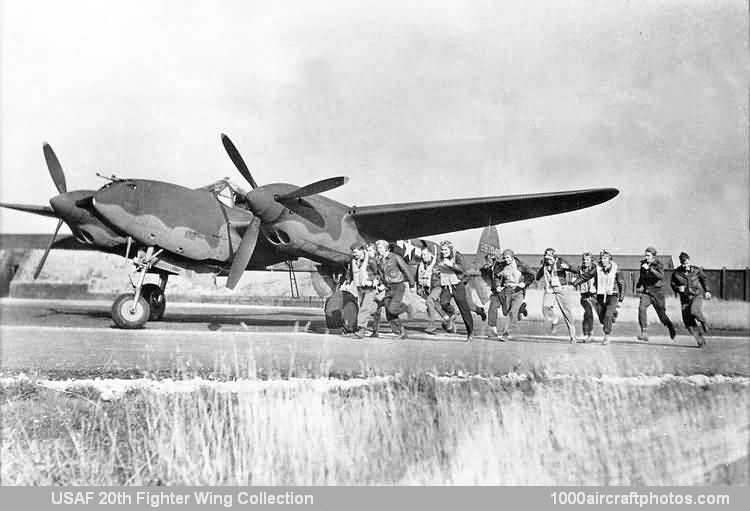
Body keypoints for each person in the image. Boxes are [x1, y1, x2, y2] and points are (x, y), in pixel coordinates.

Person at [437, 241, 487, 342]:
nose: (443, 252)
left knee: (465, 309)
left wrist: (451, 264)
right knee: (443, 303)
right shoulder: (440, 257)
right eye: (442, 250)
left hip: (458, 285)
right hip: (446, 286)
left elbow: (463, 269)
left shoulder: (457, 256)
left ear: (450, 249)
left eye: (445, 250)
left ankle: (470, 332)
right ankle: (452, 312)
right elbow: (440, 267)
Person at [574, 251, 624, 344]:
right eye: (601, 258)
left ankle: (606, 336)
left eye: (605, 258)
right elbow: (586, 276)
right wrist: (574, 283)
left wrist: (621, 298)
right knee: (602, 319)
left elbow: (621, 283)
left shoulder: (616, 269)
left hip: (612, 295)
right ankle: (613, 314)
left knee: (607, 315)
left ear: (609, 260)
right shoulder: (597, 269)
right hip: (600, 295)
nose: (602, 260)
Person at [485, 249, 534, 341]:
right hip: (507, 291)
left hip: (518, 291)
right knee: (506, 311)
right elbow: (497, 277)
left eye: (508, 258)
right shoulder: (501, 266)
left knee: (512, 312)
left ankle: (506, 333)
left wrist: (525, 283)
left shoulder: (521, 265)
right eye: (504, 258)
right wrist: (498, 285)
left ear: (512, 257)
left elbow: (531, 275)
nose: (506, 260)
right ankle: (521, 308)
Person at [374, 239, 415, 339]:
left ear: (386, 248)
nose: (378, 250)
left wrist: (412, 284)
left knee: (392, 309)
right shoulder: (379, 260)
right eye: (377, 248)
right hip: (388, 287)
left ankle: (406, 307)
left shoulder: (395, 257)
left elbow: (406, 270)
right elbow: (380, 274)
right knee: (389, 313)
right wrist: (380, 283)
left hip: (398, 286)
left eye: (380, 248)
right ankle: (402, 332)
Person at [536, 248, 578, 343]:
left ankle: (573, 336)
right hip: (550, 289)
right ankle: (554, 320)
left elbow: (576, 270)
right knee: (546, 307)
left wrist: (568, 267)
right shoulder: (545, 265)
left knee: (567, 313)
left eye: (550, 259)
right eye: (547, 258)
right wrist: (542, 268)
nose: (549, 261)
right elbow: (538, 277)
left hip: (561, 289)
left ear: (555, 258)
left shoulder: (560, 263)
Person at [670, 252, 711, 348]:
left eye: (687, 263)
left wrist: (707, 291)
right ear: (681, 263)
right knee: (688, 322)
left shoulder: (697, 270)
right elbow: (673, 284)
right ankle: (700, 340)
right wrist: (677, 288)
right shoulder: (676, 273)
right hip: (685, 299)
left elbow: (704, 279)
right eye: (684, 264)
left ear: (689, 260)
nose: (686, 265)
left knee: (694, 311)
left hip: (696, 296)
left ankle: (703, 321)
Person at [636, 246, 676, 342]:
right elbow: (641, 277)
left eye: (648, 255)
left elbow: (661, 276)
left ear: (653, 256)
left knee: (662, 315)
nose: (646, 257)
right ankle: (644, 332)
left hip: (657, 293)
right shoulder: (643, 264)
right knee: (641, 308)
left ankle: (670, 327)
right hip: (647, 292)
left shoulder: (659, 264)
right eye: (645, 255)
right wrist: (638, 285)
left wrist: (650, 269)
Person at [345, 242, 380, 338]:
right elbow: (351, 271)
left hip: (370, 288)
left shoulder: (371, 261)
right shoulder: (353, 260)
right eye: (353, 252)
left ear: (362, 250)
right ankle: (374, 329)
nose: (354, 254)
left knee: (364, 308)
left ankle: (361, 331)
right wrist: (348, 281)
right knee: (364, 307)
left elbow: (379, 272)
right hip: (360, 287)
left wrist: (375, 281)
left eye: (356, 252)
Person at [416, 246, 450, 334]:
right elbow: (417, 277)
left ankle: (432, 324)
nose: (423, 256)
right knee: (435, 306)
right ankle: (448, 319)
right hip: (427, 288)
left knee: (429, 301)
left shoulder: (438, 263)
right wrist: (419, 288)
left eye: (425, 254)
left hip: (437, 287)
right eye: (422, 255)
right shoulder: (421, 265)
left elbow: (447, 274)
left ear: (430, 254)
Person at [574, 252, 597, 343]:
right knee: (588, 313)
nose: (585, 261)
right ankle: (587, 334)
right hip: (584, 295)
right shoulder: (580, 269)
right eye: (584, 259)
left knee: (597, 314)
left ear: (591, 260)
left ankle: (589, 333)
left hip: (594, 295)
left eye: (587, 260)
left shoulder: (595, 269)